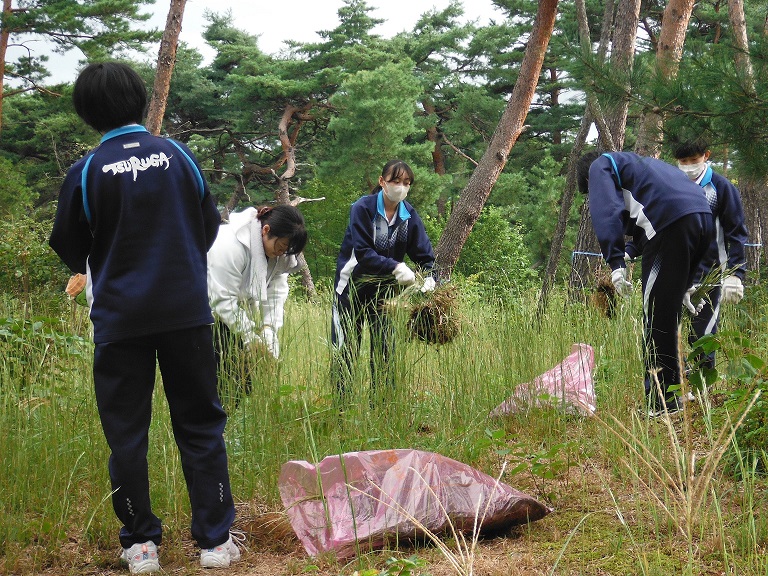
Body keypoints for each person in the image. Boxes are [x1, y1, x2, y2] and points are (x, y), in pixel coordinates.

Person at [49, 62, 239, 573]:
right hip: (186, 314)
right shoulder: (178, 155)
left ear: (87, 113)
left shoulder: (88, 169)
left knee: (127, 433)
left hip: (119, 320)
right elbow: (207, 222)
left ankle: (140, 543)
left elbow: (67, 242)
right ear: (139, 100)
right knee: (200, 423)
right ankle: (215, 541)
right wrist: (177, 265)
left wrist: (105, 264)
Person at [576, 150, 714, 417]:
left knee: (654, 318)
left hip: (671, 226)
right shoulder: (643, 165)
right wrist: (684, 282)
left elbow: (607, 211)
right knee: (667, 315)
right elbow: (658, 208)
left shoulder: (599, 165)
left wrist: (615, 262)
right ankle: (677, 392)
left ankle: (662, 402)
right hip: (702, 220)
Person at [332, 159, 436, 401]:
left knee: (384, 351)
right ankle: (341, 410)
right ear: (382, 182)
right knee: (345, 350)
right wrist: (397, 267)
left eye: (406, 183)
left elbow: (425, 255)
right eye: (395, 181)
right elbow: (364, 253)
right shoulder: (362, 208)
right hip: (351, 289)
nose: (401, 187)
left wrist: (431, 278)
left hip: (386, 295)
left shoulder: (408, 214)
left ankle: (382, 408)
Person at [207, 205, 307, 407]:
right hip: (207, 317)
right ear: (266, 230)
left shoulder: (279, 253)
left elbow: (276, 291)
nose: (282, 253)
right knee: (219, 382)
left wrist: (269, 330)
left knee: (244, 381)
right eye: (280, 246)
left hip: (234, 316)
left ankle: (230, 430)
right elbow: (222, 299)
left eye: (287, 250)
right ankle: (216, 431)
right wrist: (251, 338)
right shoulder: (230, 244)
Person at [671, 139, 749, 373]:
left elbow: (736, 233)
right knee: (666, 332)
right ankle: (671, 388)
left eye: (693, 160)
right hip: (675, 272)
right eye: (683, 162)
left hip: (708, 275)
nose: (688, 166)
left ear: (706, 155)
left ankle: (702, 386)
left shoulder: (721, 188)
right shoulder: (671, 184)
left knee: (702, 334)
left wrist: (735, 274)